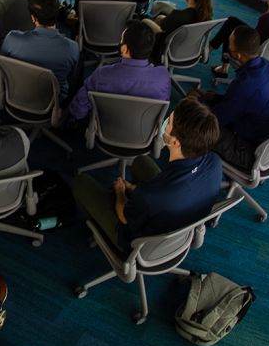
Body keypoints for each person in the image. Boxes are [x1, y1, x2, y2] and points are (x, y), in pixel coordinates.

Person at [72, 97, 223, 250]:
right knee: (141, 161)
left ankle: (98, 230)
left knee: (81, 182)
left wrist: (120, 192)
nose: (165, 123)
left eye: (169, 122)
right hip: (182, 229)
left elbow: (124, 217)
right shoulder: (215, 163)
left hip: (140, 245)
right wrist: (135, 191)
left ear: (175, 142)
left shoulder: (152, 196)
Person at [193, 26, 269, 169]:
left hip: (248, 149)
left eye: (229, 44)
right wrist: (215, 98)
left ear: (238, 55)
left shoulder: (245, 86)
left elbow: (217, 119)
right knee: (207, 100)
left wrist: (197, 103)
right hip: (267, 136)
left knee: (197, 119)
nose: (228, 47)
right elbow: (243, 103)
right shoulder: (268, 67)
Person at [68, 21, 171, 121]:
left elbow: (78, 110)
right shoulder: (163, 77)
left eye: (121, 40)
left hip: (105, 128)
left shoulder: (102, 75)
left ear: (124, 49)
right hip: (144, 134)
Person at [0, 0, 80, 100]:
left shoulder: (11, 39)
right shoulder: (72, 48)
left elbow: (1, 68)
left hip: (15, 96)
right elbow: (72, 78)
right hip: (52, 104)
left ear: (33, 17)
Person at [147, 0, 214, 65]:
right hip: (192, 55)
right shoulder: (208, 18)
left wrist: (160, 19)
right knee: (161, 17)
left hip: (169, 53)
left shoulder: (179, 16)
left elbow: (163, 28)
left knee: (146, 21)